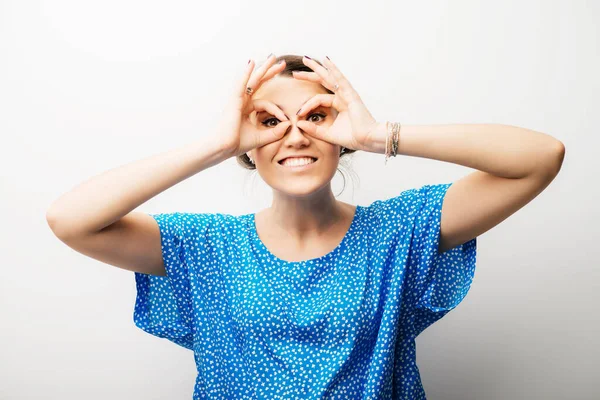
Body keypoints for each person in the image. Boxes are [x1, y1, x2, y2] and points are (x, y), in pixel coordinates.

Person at [46, 53, 565, 399]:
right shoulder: (206, 246)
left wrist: (377, 132)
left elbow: (540, 157)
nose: (294, 136)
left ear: (340, 138)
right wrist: (216, 145)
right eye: (270, 122)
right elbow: (71, 220)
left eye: (315, 117)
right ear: (249, 148)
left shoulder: (399, 232)